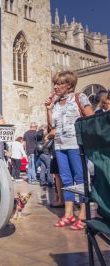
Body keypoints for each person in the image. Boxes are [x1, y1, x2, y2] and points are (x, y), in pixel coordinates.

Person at [45, 70, 94, 230]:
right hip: (60, 145)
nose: (55, 87)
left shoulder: (79, 98)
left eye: (59, 83)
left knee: (80, 179)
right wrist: (48, 109)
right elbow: (52, 126)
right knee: (66, 180)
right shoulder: (57, 103)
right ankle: (68, 214)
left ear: (69, 85)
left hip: (76, 145)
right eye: (55, 84)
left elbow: (91, 118)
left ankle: (83, 213)